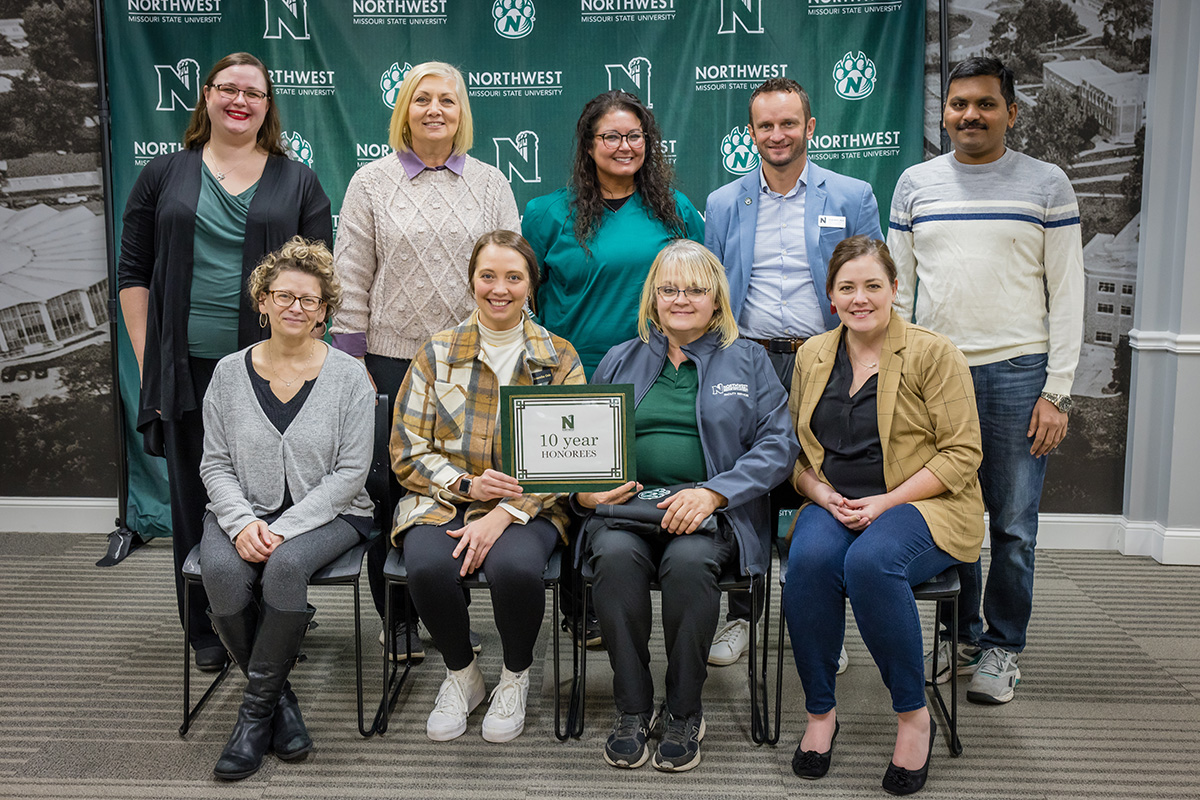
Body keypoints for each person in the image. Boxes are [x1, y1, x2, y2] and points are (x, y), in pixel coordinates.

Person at [117, 52, 332, 672]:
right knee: (194, 495)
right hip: (185, 366)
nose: (240, 101)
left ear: (268, 106)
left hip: (274, 371)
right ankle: (209, 626)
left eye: (254, 93)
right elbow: (134, 273)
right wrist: (147, 355)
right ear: (207, 96)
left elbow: (317, 282)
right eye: (228, 89)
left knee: (272, 492)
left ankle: (275, 614)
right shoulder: (164, 174)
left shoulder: (297, 181)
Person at [888, 56, 1084, 705]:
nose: (969, 115)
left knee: (1013, 526)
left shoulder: (1047, 184)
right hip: (935, 374)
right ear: (943, 112)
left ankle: (1002, 645)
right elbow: (898, 291)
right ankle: (961, 636)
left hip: (1018, 374)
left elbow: (1069, 292)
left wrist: (1057, 390)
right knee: (951, 517)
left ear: (1011, 111)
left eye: (985, 104)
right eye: (958, 104)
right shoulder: (915, 183)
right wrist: (896, 372)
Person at [578, 239, 798, 773]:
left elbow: (779, 446)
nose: (681, 298)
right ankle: (632, 708)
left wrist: (713, 492)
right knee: (611, 558)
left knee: (690, 565)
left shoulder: (749, 360)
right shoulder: (618, 358)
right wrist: (582, 492)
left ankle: (682, 711)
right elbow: (581, 444)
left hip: (710, 515)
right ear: (652, 297)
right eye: (669, 288)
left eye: (695, 289)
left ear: (717, 300)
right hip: (628, 511)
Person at [783, 236, 984, 796]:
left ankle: (911, 715)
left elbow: (963, 453)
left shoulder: (932, 353)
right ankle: (821, 714)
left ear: (896, 289)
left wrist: (886, 503)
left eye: (873, 285)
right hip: (835, 497)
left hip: (921, 501)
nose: (860, 298)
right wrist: (819, 495)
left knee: (871, 564)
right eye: (847, 287)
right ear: (830, 297)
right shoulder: (812, 355)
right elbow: (792, 453)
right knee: (810, 561)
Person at [333, 61, 520, 661]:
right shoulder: (371, 182)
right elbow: (352, 277)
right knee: (391, 488)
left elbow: (510, 273)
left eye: (447, 100)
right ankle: (400, 617)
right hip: (391, 359)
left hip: (475, 360)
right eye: (422, 100)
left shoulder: (490, 183)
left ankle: (451, 602)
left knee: (471, 481)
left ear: (463, 113)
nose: (435, 109)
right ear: (404, 110)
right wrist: (351, 359)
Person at [703, 76, 882, 667]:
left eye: (788, 123)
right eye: (764, 125)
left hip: (824, 357)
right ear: (751, 132)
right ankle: (742, 613)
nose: (776, 135)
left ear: (810, 127)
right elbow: (714, 295)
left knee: (827, 483)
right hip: (749, 357)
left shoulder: (852, 196)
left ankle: (823, 622)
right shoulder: (725, 202)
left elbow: (871, 283)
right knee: (744, 483)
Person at [391, 230, 585, 743]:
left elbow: (575, 460)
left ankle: (515, 677)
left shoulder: (559, 357)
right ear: (472, 282)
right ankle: (463, 675)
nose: (500, 289)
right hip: (445, 497)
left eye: (513, 278)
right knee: (428, 566)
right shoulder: (436, 353)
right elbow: (407, 449)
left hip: (532, 504)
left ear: (531, 286)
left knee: (516, 567)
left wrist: (505, 512)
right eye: (488, 276)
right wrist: (467, 486)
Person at [199, 238, 375, 781]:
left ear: (325, 311)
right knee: (223, 572)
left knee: (285, 566)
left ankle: (252, 720)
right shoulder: (228, 374)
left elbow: (350, 476)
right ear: (263, 301)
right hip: (240, 511)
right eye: (284, 296)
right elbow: (214, 465)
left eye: (311, 299)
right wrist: (244, 522)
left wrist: (281, 530)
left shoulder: (349, 377)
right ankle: (281, 702)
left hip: (335, 513)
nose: (296, 307)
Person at [522, 89, 704, 378]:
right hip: (571, 374)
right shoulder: (545, 214)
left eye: (634, 136)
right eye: (611, 137)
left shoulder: (676, 209)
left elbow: (705, 289)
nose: (625, 146)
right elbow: (523, 299)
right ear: (588, 147)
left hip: (659, 372)